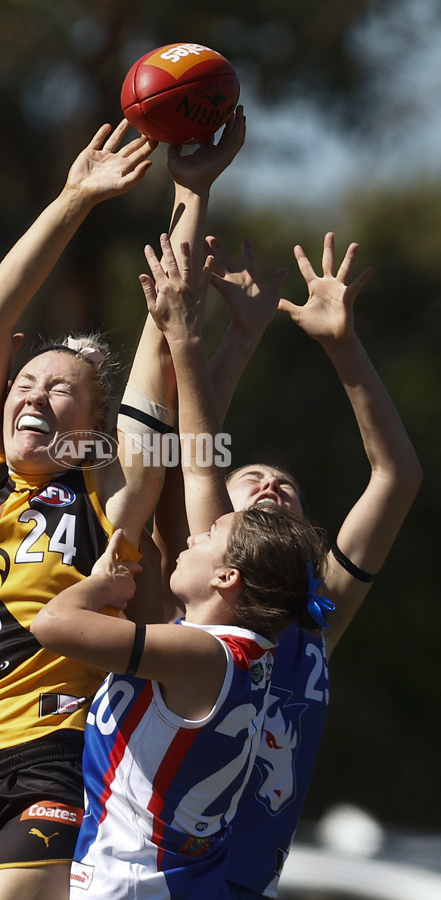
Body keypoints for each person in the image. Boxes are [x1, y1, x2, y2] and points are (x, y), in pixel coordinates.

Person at [0, 111, 247, 900]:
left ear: (94, 427)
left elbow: (161, 323)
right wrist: (74, 198)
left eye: (59, 388)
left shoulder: (108, 488)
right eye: (25, 383)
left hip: (59, 757)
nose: (33, 394)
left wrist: (190, 191)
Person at [30, 234, 329, 900]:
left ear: (227, 578)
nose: (191, 538)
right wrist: (191, 339)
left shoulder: (205, 658)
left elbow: (52, 622)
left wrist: (100, 585)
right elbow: (198, 465)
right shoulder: (232, 649)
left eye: (206, 537)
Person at [152, 232, 423, 899]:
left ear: (304, 535)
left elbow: (398, 474)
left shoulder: (313, 618)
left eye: (287, 487)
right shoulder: (213, 592)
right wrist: (223, 339)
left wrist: (343, 343)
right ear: (217, 530)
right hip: (158, 881)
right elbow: (197, 454)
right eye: (252, 480)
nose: (273, 483)